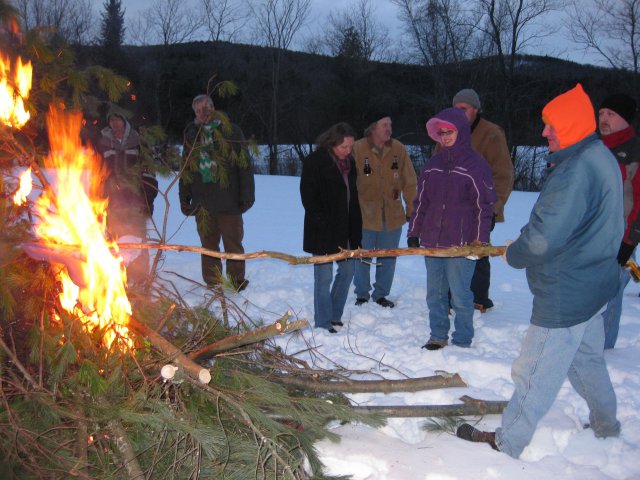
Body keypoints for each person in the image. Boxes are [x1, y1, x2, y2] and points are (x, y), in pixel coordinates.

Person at [456, 84, 622, 458]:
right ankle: (606, 426)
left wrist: (515, 253)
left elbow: (544, 240)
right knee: (586, 360)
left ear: (574, 127)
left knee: (534, 370)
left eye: (552, 126)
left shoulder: (574, 172)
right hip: (595, 282)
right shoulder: (600, 155)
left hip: (568, 290)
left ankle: (508, 441)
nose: (544, 133)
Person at [407, 107, 495, 350]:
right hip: (433, 241)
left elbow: (484, 207)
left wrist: (479, 241)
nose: (445, 137)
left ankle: (463, 338)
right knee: (435, 294)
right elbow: (421, 201)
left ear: (462, 132)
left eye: (450, 132)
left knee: (460, 295)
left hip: (462, 244)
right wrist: (414, 232)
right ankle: (438, 335)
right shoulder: (433, 165)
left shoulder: (476, 166)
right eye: (442, 133)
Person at [179, 94, 254, 291]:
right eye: (198, 110)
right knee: (208, 245)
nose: (203, 113)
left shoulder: (231, 131)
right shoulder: (191, 134)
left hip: (229, 199)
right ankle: (213, 282)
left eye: (206, 108)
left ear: (213, 107)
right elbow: (185, 169)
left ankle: (236, 281)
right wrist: (184, 197)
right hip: (202, 201)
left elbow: (244, 165)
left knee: (233, 243)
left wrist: (247, 195)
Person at [451, 89, 513, 312]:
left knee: (477, 254)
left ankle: (478, 298)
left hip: (479, 208)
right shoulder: (447, 131)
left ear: (475, 110)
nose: (458, 113)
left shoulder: (491, 134)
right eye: (455, 108)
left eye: (463, 109)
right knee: (451, 252)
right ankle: (452, 296)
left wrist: (493, 208)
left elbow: (503, 174)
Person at [300, 122, 362, 333]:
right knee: (323, 276)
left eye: (350, 147)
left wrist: (356, 231)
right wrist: (321, 221)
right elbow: (308, 197)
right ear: (331, 142)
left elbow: (353, 200)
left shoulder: (350, 164)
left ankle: (335, 314)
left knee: (348, 270)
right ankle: (323, 321)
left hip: (346, 229)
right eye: (344, 147)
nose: (348, 151)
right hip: (322, 231)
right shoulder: (314, 162)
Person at [352, 113, 417, 308]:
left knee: (388, 257)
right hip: (364, 215)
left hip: (392, 215)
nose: (389, 128)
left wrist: (412, 211)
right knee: (361, 257)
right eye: (384, 124)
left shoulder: (398, 149)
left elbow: (410, 183)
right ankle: (362, 294)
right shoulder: (357, 149)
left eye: (390, 124)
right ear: (373, 127)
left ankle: (380, 294)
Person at [597, 93, 640, 349]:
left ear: (625, 119)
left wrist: (629, 242)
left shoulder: (635, 151)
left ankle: (604, 347)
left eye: (610, 114)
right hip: (591, 232)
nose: (604, 119)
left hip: (620, 234)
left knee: (611, 291)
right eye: (601, 114)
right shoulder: (595, 147)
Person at [97, 106, 157, 284]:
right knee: (114, 238)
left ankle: (140, 278)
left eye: (118, 119)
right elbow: (97, 171)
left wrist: (148, 198)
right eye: (112, 120)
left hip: (135, 200)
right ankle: (117, 277)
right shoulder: (103, 142)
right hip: (113, 202)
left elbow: (149, 172)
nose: (115, 123)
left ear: (125, 121)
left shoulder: (138, 141)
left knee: (138, 239)